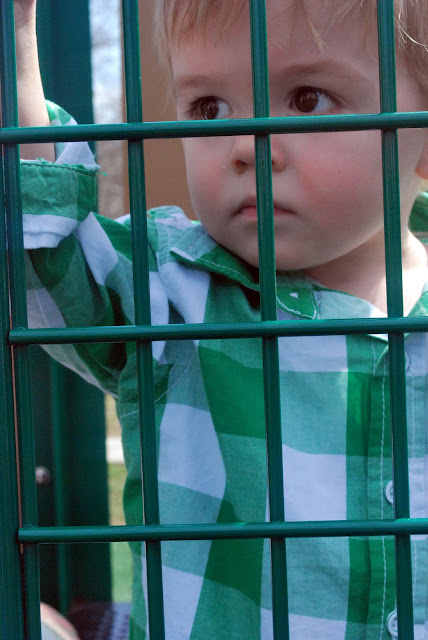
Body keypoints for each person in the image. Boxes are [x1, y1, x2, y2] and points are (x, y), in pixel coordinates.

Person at [14, 0, 428, 638]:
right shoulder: (174, 291)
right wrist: (16, 48)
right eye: (209, 108)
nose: (244, 145)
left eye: (309, 100)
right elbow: (46, 252)